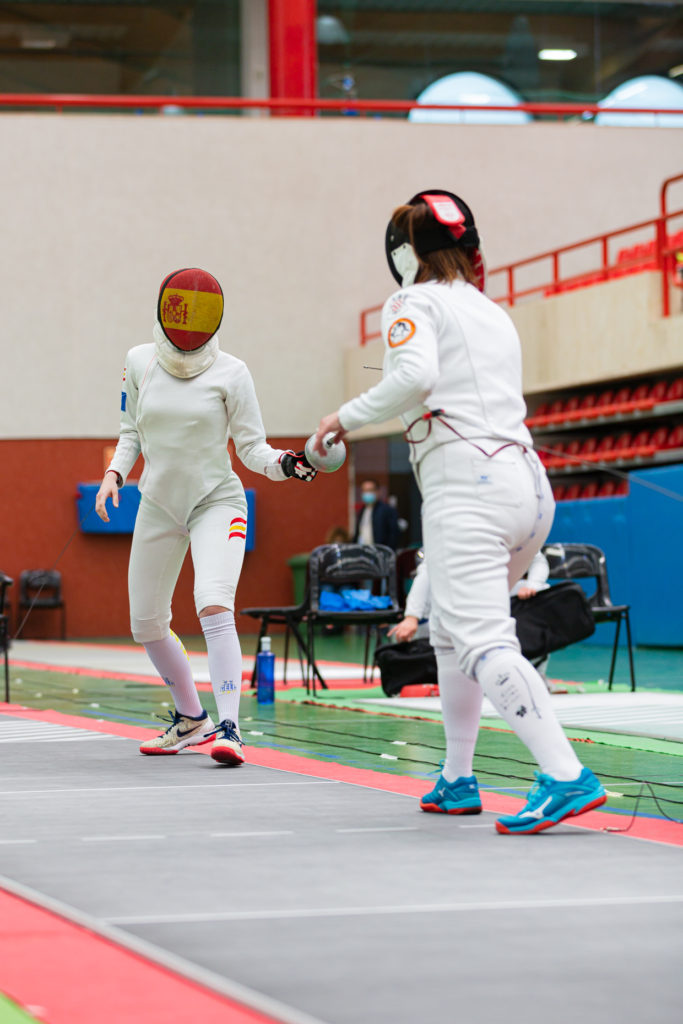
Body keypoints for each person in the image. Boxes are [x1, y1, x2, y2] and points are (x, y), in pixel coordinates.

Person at [314, 189, 605, 834]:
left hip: (469, 488)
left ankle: (565, 773)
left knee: (480, 639)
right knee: (448, 631)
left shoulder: (411, 301)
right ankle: (456, 776)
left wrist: (344, 417)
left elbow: (414, 378)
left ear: (403, 256)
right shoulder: (491, 311)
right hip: (528, 490)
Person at [96, 268, 316, 765]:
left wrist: (285, 464)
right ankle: (191, 718)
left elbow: (252, 447)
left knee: (213, 605)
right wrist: (114, 473)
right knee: (145, 623)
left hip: (216, 502)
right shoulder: (139, 360)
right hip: (158, 505)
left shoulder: (232, 372)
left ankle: (230, 729)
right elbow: (130, 431)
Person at [353, 479, 399, 550]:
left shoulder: (386, 510)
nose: (367, 493)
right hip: (364, 551)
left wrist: (387, 551)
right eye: (365, 490)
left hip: (379, 552)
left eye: (370, 490)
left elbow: (393, 535)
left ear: (378, 491)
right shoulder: (362, 511)